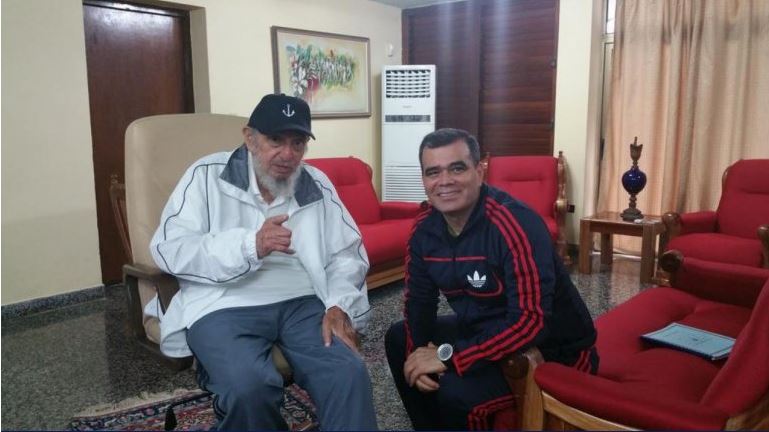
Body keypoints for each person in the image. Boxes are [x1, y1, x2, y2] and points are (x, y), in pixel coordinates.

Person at [149, 93, 378, 430]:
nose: (288, 154)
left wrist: (338, 304)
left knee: (348, 373)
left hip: (303, 302)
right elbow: (170, 248)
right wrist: (250, 245)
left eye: (297, 143)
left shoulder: (315, 182)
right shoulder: (206, 175)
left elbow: (347, 254)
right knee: (248, 388)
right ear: (250, 138)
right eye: (275, 140)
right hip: (223, 301)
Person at [385, 128, 598, 430]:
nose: (444, 181)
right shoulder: (424, 230)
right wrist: (419, 359)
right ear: (424, 179)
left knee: (456, 391)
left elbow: (531, 322)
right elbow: (419, 302)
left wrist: (450, 357)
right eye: (433, 172)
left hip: (553, 350)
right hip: (483, 329)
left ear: (479, 172)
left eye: (457, 168)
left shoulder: (515, 222)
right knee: (399, 339)